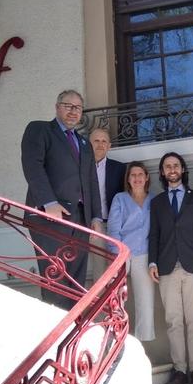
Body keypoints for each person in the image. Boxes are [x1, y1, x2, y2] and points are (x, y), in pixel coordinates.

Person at [21, 89, 102, 310]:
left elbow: (92, 181)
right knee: (55, 274)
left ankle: (74, 331)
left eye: (78, 108)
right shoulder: (40, 130)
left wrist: (95, 216)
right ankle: (57, 331)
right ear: (57, 107)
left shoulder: (84, 144)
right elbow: (32, 166)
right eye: (68, 106)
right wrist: (48, 203)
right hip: (50, 216)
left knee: (75, 279)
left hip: (80, 219)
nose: (73, 111)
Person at [148, 152, 193, 384]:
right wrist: (152, 262)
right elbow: (153, 234)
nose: (172, 169)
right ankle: (179, 370)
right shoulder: (156, 202)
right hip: (165, 268)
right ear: (163, 173)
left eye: (176, 165)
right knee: (173, 321)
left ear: (182, 169)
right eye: (167, 167)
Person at [107, 161, 155, 341]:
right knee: (118, 300)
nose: (137, 178)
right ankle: (116, 341)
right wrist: (116, 258)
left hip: (144, 255)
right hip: (122, 255)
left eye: (140, 174)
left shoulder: (154, 200)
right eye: (133, 175)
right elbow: (113, 229)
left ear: (147, 177)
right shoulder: (120, 199)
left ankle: (143, 346)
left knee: (145, 302)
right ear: (128, 179)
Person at [89, 128, 126, 285]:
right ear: (88, 144)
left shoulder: (120, 168)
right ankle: (101, 309)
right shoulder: (80, 168)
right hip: (92, 226)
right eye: (96, 141)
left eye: (104, 141)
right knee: (99, 271)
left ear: (109, 146)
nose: (100, 144)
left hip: (115, 226)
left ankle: (116, 307)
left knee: (117, 270)